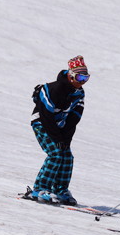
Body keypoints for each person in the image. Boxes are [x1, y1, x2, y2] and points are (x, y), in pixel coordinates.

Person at [27, 55, 90, 205]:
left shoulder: (78, 93)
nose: (82, 81)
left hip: (59, 127)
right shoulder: (53, 89)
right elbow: (46, 115)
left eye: (86, 78)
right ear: (71, 75)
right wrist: (57, 139)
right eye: (80, 77)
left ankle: (60, 190)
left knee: (67, 156)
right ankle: (40, 188)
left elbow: (73, 119)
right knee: (55, 153)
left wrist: (65, 140)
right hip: (41, 123)